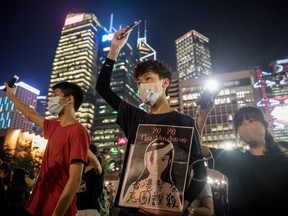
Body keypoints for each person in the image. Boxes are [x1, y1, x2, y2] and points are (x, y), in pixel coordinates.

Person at [96, 27, 207, 216]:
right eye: (139, 82)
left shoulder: (185, 122)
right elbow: (102, 88)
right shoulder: (135, 117)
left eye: (148, 79)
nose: (142, 85)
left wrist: (182, 205)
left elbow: (200, 173)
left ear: (164, 83)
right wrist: (114, 48)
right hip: (129, 211)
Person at [4, 81, 90, 216]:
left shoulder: (78, 131)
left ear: (69, 99)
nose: (51, 99)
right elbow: (31, 115)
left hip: (57, 209)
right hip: (36, 205)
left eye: (55, 95)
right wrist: (11, 96)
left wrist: (57, 214)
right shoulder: (54, 126)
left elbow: (75, 179)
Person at [198, 105, 288, 216]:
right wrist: (203, 115)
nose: (245, 123)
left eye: (251, 120)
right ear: (238, 134)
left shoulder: (284, 158)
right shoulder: (235, 160)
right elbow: (197, 148)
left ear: (265, 125)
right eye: (240, 123)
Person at [122, 139, 181, 211]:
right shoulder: (135, 186)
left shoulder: (171, 189)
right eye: (152, 158)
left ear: (169, 161)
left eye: (163, 159)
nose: (157, 164)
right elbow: (124, 206)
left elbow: (176, 210)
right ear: (146, 159)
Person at [76, 144, 104, 216]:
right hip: (76, 211)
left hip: (91, 211)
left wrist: (83, 145)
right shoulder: (78, 171)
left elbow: (97, 166)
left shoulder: (97, 171)